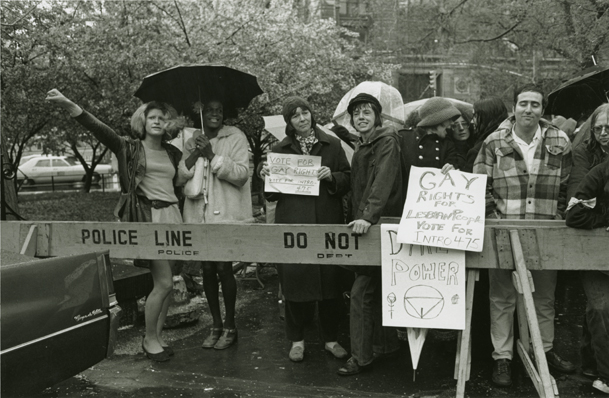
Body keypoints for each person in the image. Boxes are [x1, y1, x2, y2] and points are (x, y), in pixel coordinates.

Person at [46, 89, 184, 363]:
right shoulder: (128, 148)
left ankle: (158, 335)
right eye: (151, 117)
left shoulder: (173, 152)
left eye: (162, 117)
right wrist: (71, 104)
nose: (157, 121)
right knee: (164, 282)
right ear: (142, 122)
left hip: (174, 217)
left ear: (168, 123)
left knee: (170, 282)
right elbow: (100, 129)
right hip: (148, 220)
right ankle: (148, 338)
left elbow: (179, 183)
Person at [473, 84, 575, 387]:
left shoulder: (560, 140)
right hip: (504, 231)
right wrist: (495, 219)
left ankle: (543, 350)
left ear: (542, 110)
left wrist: (557, 217)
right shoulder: (493, 142)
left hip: (546, 232)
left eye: (534, 104)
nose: (528, 110)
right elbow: (480, 186)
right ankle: (502, 357)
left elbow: (567, 185)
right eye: (523, 104)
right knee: (502, 297)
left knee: (544, 297)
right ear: (513, 108)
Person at [260, 96, 351, 362]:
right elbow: (272, 196)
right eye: (295, 115)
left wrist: (332, 176)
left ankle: (331, 339)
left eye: (305, 113)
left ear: (312, 115)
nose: (302, 118)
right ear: (289, 122)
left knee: (329, 283)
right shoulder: (280, 150)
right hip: (294, 224)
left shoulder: (332, 144)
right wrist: (266, 176)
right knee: (295, 282)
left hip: (326, 221)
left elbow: (347, 179)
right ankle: (297, 341)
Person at [177, 99, 253, 350]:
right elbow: (180, 177)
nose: (215, 115)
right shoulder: (192, 141)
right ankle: (216, 325)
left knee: (224, 267)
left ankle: (231, 326)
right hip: (199, 215)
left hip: (226, 214)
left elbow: (242, 174)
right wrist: (198, 152)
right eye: (209, 110)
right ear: (199, 113)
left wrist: (212, 156)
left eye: (219, 110)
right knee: (207, 270)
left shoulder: (235, 137)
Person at [337, 93, 403, 376]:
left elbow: (382, 182)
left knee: (361, 292)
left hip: (379, 226)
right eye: (356, 113)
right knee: (376, 288)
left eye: (367, 112)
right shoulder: (363, 146)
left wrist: (366, 217)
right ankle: (386, 345)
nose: (361, 117)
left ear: (378, 117)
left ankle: (361, 357)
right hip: (369, 226)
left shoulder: (386, 142)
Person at [565, 104, 609, 395]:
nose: (604, 134)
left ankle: (593, 362)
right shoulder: (588, 159)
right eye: (599, 128)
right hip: (593, 243)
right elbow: (576, 206)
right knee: (600, 308)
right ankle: (603, 373)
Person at [399, 97, 459, 191]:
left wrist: (452, 170)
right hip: (407, 198)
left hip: (435, 200)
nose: (452, 123)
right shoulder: (404, 138)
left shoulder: (447, 144)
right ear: (437, 120)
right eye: (449, 118)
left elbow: (453, 169)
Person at [567, 104, 609, 200]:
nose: (603, 133)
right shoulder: (583, 152)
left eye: (608, 127)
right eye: (598, 129)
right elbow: (576, 193)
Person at [463, 97, 508, 173]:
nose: (471, 121)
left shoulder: (478, 151)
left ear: (486, 117)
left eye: (475, 116)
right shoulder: (515, 138)